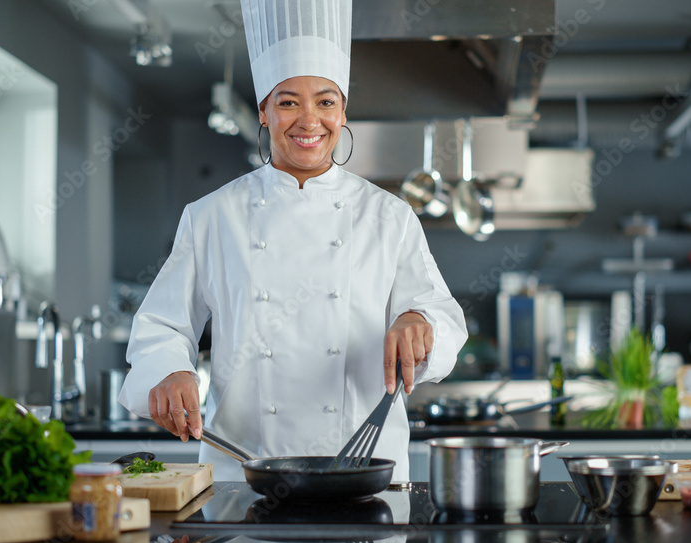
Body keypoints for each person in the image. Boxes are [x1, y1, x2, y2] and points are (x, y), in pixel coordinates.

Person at [119, 0, 467, 483]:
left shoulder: (390, 216)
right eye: (288, 102)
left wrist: (418, 321)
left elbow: (444, 320)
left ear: (343, 110)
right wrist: (170, 371)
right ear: (263, 111)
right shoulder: (210, 217)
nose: (309, 121)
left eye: (325, 101)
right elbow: (160, 326)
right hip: (242, 474)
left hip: (365, 475)